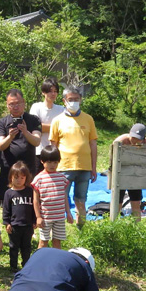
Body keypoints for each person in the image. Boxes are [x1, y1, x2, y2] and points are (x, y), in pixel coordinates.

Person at [48, 86, 98, 231]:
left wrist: (93, 167)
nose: (74, 102)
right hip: (64, 166)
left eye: (76, 99)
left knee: (81, 200)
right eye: (70, 100)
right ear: (64, 101)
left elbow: (93, 144)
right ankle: (58, 227)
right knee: (59, 199)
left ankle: (80, 228)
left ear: (81, 100)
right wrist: (53, 167)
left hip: (84, 167)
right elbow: (53, 146)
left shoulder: (88, 119)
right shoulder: (57, 120)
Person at [0, 89, 41, 201]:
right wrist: (10, 137)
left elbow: (36, 141)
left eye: (18, 103)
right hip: (8, 168)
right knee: (8, 201)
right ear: (7, 105)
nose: (15, 107)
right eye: (11, 104)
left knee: (29, 200)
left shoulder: (33, 120)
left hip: (28, 167)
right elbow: (0, 145)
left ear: (24, 103)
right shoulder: (2, 122)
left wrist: (25, 132)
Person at [33, 145, 73, 249]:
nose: (52, 165)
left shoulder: (61, 178)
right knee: (43, 242)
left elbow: (64, 196)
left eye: (55, 162)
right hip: (46, 217)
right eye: (49, 162)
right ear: (42, 161)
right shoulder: (39, 179)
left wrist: (68, 212)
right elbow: (36, 200)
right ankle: (39, 262)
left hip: (59, 216)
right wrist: (38, 217)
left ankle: (56, 262)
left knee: (57, 242)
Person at [2, 161, 36, 272]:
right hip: (15, 225)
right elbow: (6, 209)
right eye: (16, 177)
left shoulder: (30, 191)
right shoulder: (9, 193)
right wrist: (7, 223)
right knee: (13, 246)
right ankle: (13, 266)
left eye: (22, 178)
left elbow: (34, 207)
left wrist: (35, 221)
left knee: (26, 247)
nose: (19, 180)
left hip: (27, 225)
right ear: (11, 177)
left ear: (26, 178)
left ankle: (26, 265)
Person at [111, 123, 146, 221]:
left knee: (136, 203)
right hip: (120, 174)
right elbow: (112, 160)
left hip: (134, 174)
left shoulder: (144, 142)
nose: (135, 141)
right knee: (117, 203)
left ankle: (137, 226)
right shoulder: (120, 141)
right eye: (134, 138)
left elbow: (144, 159)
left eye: (138, 139)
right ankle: (115, 225)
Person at [29, 78, 65, 158]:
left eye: (55, 91)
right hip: (39, 151)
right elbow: (35, 127)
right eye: (50, 91)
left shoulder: (61, 109)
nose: (53, 94)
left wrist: (44, 127)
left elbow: (65, 128)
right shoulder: (36, 107)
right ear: (43, 92)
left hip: (56, 152)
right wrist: (56, 128)